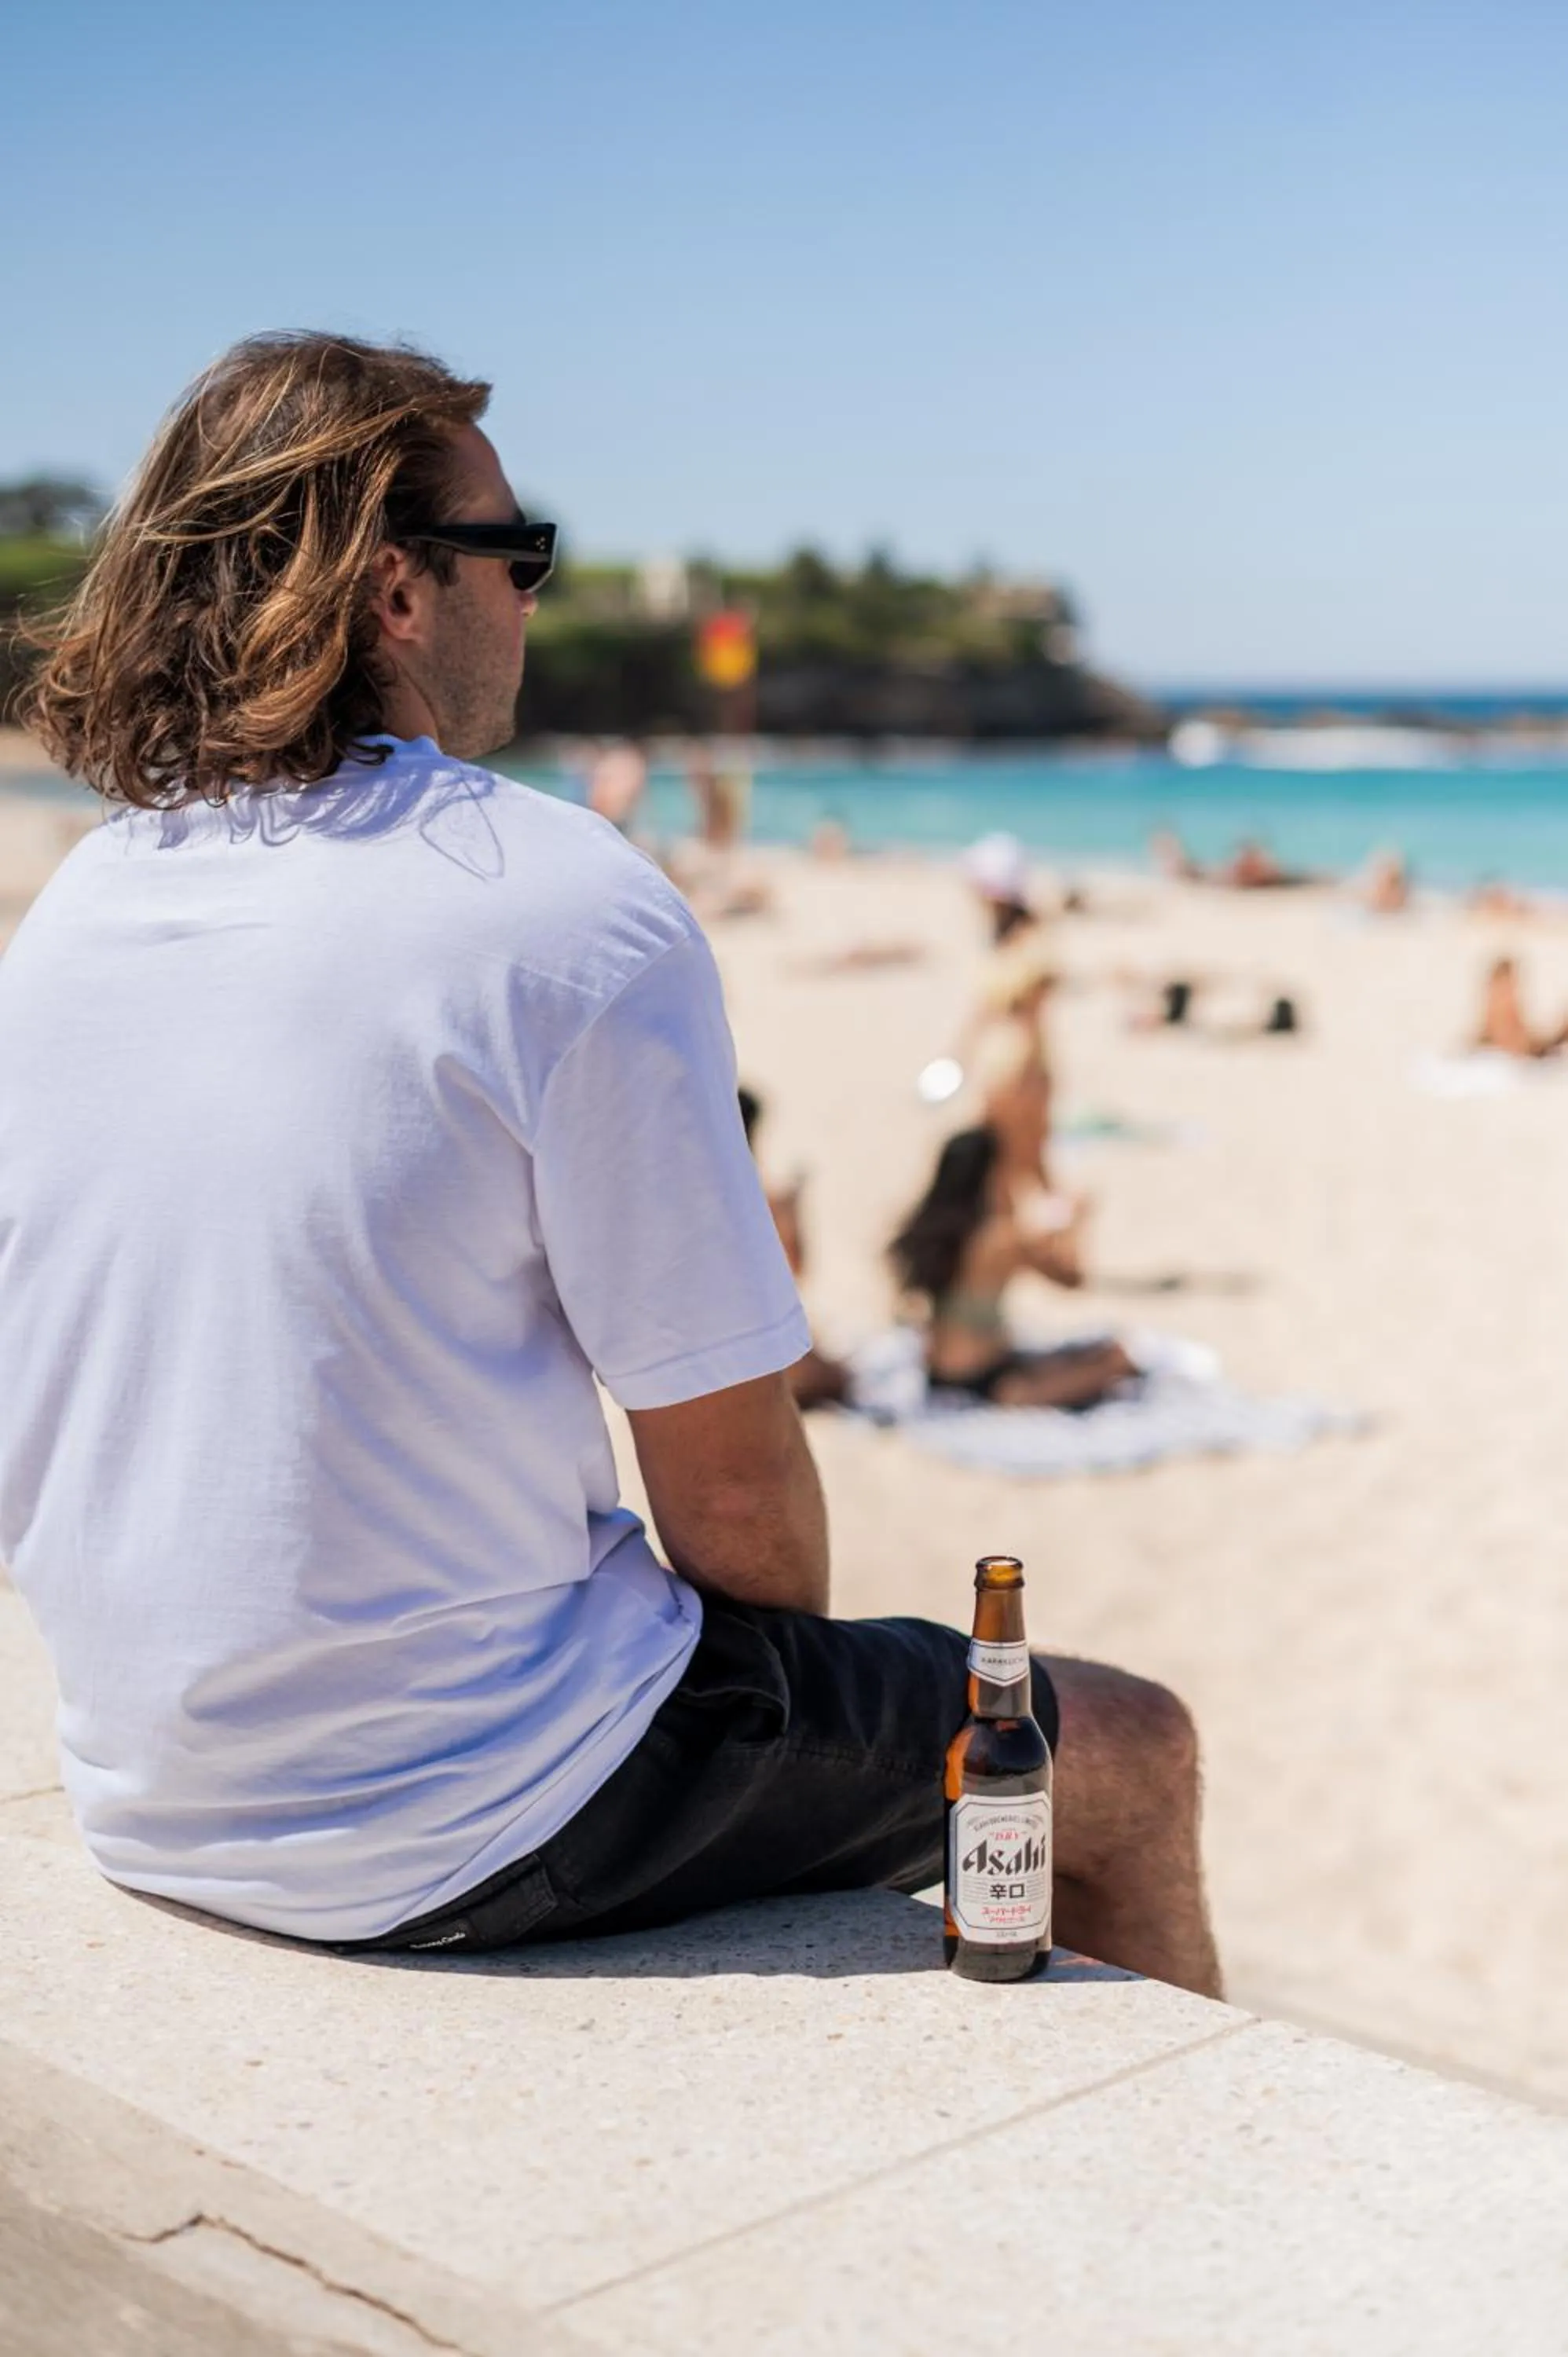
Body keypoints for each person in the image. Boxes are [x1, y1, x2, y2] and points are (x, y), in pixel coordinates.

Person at [0, 332, 1218, 1994]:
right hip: (464, 1814)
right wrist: (796, 1691)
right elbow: (733, 1508)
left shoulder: (79, 909)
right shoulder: (552, 901)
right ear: (397, 594)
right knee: (1130, 1749)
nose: (534, 599)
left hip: (153, 1787)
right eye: (521, 552)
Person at [890, 1036, 1138, 1410]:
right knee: (1114, 1360)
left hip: (937, 1370)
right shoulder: (1001, 1238)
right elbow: (1071, 1279)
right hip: (986, 1379)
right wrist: (1077, 1224)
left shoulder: (942, 1230)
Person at [737, 1085, 848, 1411]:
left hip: (709, 1345)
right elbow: (797, 1268)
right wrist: (796, 1204)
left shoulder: (685, 1201)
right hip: (766, 1339)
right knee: (838, 1377)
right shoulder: (772, 1198)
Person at [1474, 955, 1568, 1059]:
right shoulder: (1479, 1054)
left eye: (1511, 992)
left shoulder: (1531, 1044)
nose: (1508, 1001)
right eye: (1502, 994)